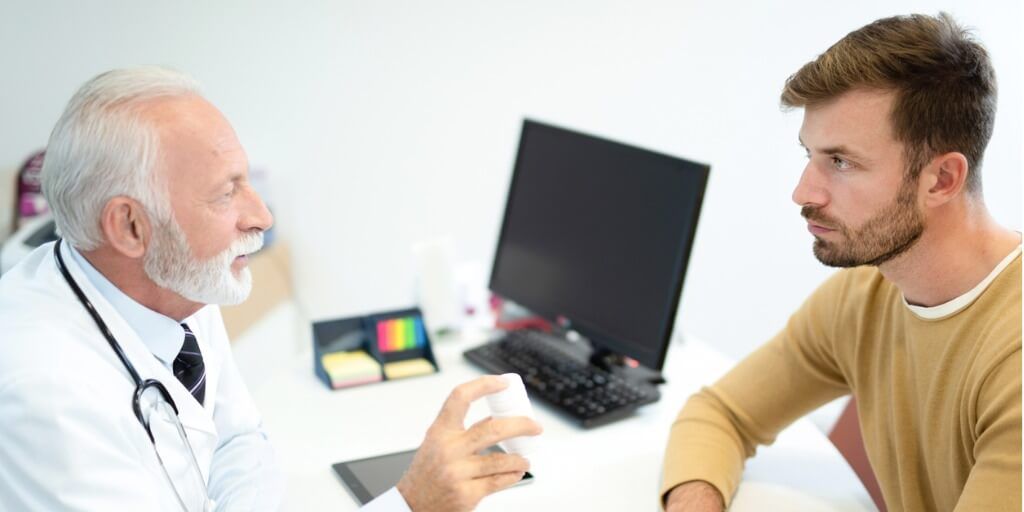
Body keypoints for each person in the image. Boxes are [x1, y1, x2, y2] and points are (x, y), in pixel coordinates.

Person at [0, 67, 541, 511]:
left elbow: (239, 442)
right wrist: (412, 504)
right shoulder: (46, 399)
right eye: (225, 193)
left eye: (246, 181)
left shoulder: (171, 286)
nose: (260, 215)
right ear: (131, 228)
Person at [660, 13, 1021, 512]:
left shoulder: (1013, 357)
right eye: (810, 155)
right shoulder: (867, 295)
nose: (803, 193)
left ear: (941, 179)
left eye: (841, 162)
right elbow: (721, 413)